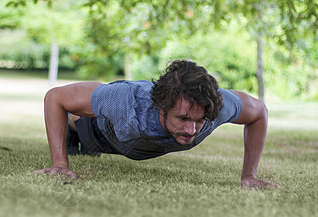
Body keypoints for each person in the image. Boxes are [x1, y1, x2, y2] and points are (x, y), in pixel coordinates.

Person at [35, 60, 275, 188]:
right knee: (79, 121)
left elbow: (259, 112)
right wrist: (59, 163)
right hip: (102, 131)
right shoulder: (127, 102)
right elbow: (55, 97)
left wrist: (249, 175)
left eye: (199, 120)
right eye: (183, 118)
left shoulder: (217, 107)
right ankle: (72, 134)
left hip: (131, 140)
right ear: (161, 106)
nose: (192, 131)